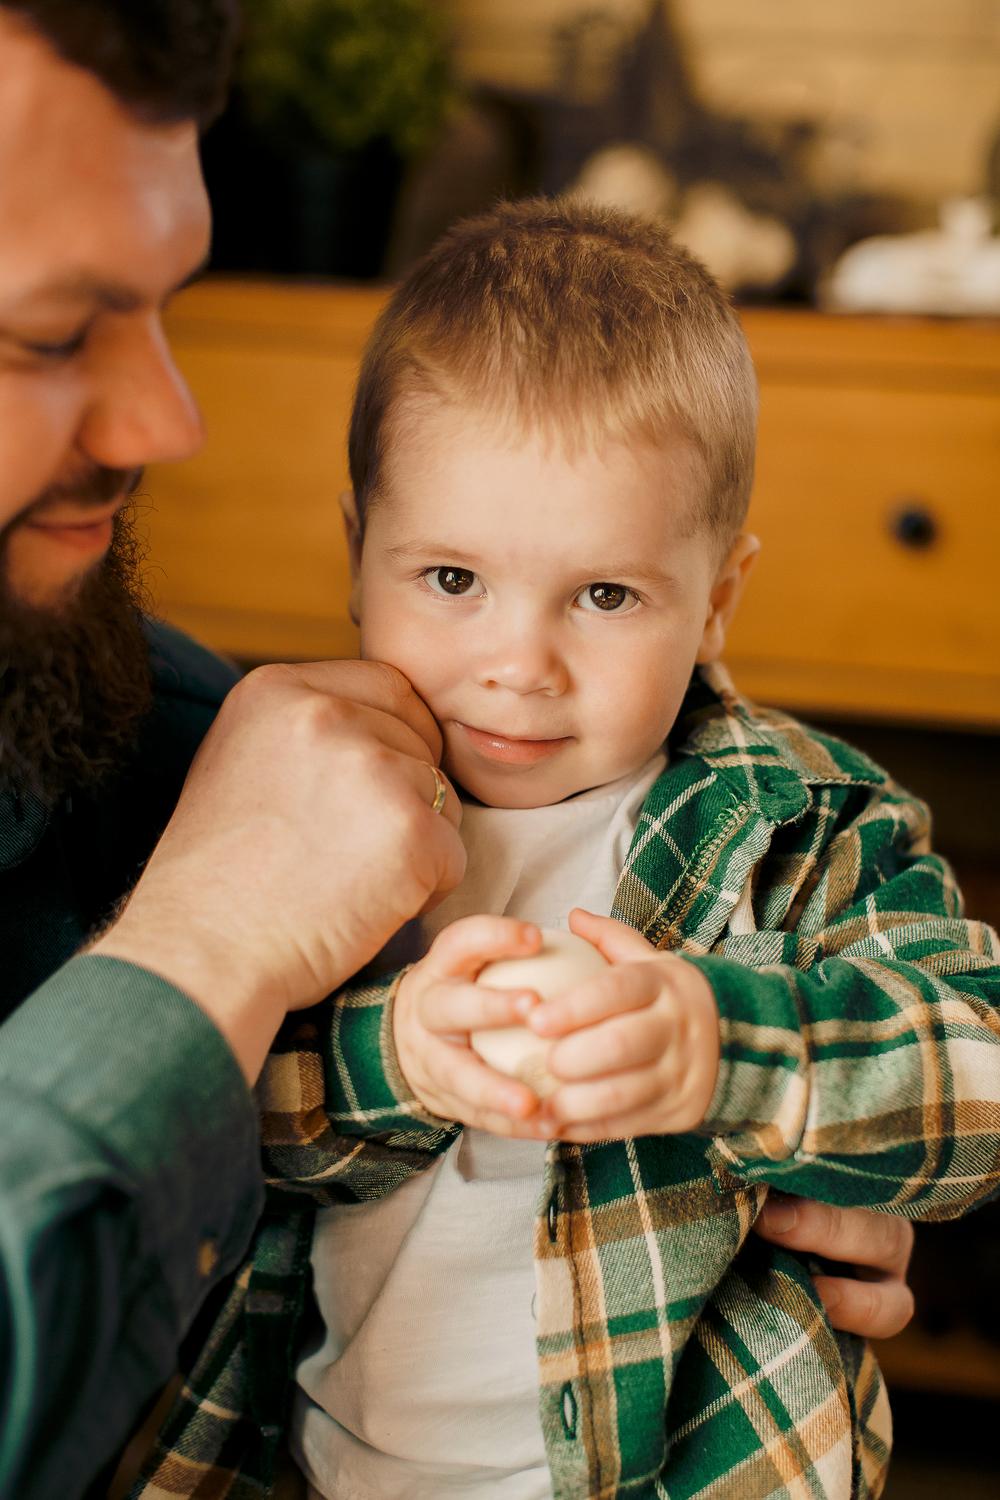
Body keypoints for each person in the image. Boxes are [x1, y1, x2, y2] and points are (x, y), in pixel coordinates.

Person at [0, 8, 915, 1499]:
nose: (174, 417)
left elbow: (940, 1060)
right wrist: (218, 959)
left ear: (719, 592)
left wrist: (778, 1080)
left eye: (173, 301)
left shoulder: (218, 748)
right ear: (366, 553)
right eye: (47, 333)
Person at [131, 201, 1000, 1499]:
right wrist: (402, 1057)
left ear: (715, 601)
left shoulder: (805, 827)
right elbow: (202, 1117)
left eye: (605, 596)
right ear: (357, 552)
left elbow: (975, 1079)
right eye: (451, 581)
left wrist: (726, 1050)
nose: (519, 666)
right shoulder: (291, 806)